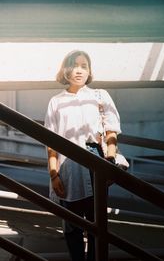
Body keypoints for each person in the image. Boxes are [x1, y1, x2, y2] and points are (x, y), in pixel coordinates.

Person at [44, 50, 121, 261]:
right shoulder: (56, 102)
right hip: (67, 164)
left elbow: (111, 131)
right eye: (74, 65)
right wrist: (53, 174)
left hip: (94, 158)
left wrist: (110, 162)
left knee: (97, 222)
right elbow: (51, 141)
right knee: (72, 225)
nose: (79, 70)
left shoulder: (99, 96)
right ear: (66, 70)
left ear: (89, 71)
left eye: (84, 66)